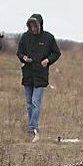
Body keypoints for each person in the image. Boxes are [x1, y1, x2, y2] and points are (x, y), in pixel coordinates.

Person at [17, 13, 61, 141]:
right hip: (28, 73)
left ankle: (32, 128)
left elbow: (56, 53)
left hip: (40, 74)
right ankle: (33, 126)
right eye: (31, 26)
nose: (33, 28)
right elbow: (19, 52)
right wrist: (24, 58)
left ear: (40, 25)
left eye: (35, 26)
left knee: (36, 102)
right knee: (29, 104)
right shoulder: (25, 37)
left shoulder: (48, 38)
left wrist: (47, 60)